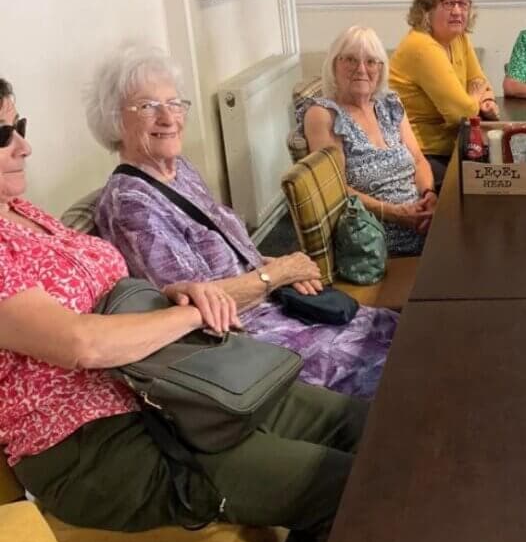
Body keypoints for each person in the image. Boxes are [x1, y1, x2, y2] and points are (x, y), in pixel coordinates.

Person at [0, 76, 365, 535]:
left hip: (169, 386)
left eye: (20, 127)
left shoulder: (22, 213)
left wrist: (171, 294)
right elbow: (81, 343)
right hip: (94, 438)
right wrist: (189, 313)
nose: (23, 147)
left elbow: (105, 293)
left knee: (360, 422)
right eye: (3, 135)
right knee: (352, 485)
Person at [88, 45, 396, 401]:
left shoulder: (179, 170)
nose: (168, 118)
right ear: (114, 120)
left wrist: (279, 266)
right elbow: (200, 307)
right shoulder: (130, 205)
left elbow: (228, 253)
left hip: (279, 306)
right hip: (249, 340)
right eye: (147, 107)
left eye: (174, 103)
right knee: (390, 370)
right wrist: (277, 274)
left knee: (401, 330)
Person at [298, 25, 436, 257]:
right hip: (374, 236)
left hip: (421, 220)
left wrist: (429, 196)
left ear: (381, 69)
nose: (361, 69)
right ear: (334, 65)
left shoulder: (389, 104)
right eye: (350, 60)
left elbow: (419, 160)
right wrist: (396, 213)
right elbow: (334, 188)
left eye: (371, 62)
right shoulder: (323, 115)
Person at [389, 0, 498, 186]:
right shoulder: (422, 46)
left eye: (463, 4)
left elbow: (481, 82)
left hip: (454, 142)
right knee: (484, 186)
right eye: (448, 3)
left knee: (511, 171)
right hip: (423, 153)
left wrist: (486, 101)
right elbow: (462, 112)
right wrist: (473, 101)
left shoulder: (459, 37)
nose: (457, 11)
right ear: (427, 9)